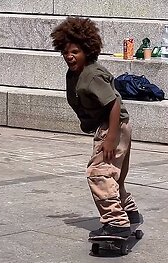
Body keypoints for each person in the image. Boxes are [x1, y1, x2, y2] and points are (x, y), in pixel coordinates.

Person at [50, 17, 140, 238]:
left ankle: (116, 223)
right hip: (113, 126)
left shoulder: (91, 75)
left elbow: (114, 103)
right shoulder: (75, 73)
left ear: (87, 51)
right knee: (112, 176)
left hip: (113, 126)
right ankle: (128, 210)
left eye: (75, 51)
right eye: (65, 52)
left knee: (98, 174)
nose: (69, 56)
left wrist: (110, 137)